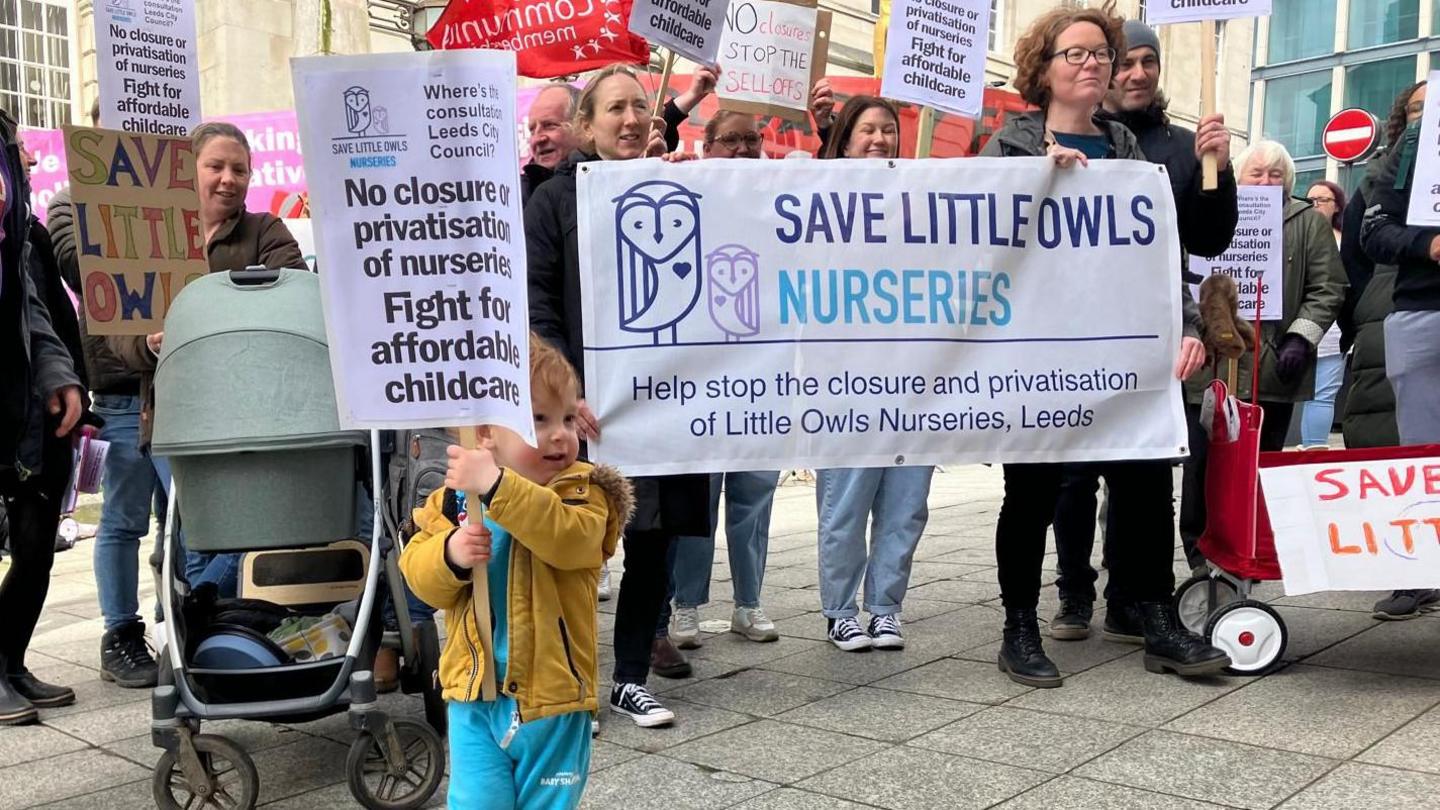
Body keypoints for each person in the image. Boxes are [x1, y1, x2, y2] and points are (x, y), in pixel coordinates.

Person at [980, 1, 1230, 687]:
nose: (1093, 64)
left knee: (1145, 480)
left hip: (1119, 353)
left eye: (1101, 55)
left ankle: (1152, 614)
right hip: (1036, 357)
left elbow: (1158, 257)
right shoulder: (1009, 147)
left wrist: (1186, 328)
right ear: (1045, 68)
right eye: (1077, 53)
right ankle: (1020, 625)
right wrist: (1036, 182)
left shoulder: (1129, 152)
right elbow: (973, 245)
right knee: (1032, 489)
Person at [526, 64, 710, 727]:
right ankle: (569, 681)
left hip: (659, 406)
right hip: (584, 410)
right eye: (614, 109)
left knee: (653, 544)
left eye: (639, 106)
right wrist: (562, 390)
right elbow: (538, 300)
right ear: (586, 127)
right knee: (575, 546)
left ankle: (630, 675)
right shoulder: (553, 201)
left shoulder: (683, 186)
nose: (630, 119)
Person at [1049, 17, 1240, 640]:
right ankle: (1075, 590)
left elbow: (1207, 240)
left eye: (1146, 63)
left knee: (1145, 469)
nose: (1135, 73)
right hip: (1072, 328)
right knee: (1074, 474)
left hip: (1147, 325)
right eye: (1123, 61)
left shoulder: (1183, 147)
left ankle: (1135, 597)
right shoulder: (1059, 134)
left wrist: (1220, 170)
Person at [400, 335, 631, 810]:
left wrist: (498, 486)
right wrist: (449, 555)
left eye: (568, 417)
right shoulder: (453, 500)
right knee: (474, 803)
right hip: (473, 694)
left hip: (552, 701)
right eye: (537, 420)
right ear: (486, 433)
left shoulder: (585, 492)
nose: (560, 434)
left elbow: (571, 540)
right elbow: (418, 576)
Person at [108, 122, 303, 599]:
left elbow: (297, 295)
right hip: (174, 419)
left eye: (240, 169)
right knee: (195, 534)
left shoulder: (266, 230)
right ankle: (203, 633)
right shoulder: (149, 237)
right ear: (186, 170)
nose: (228, 179)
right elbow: (118, 334)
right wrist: (152, 344)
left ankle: (212, 621)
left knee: (241, 530)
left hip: (248, 417)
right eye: (215, 166)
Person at [801, 95, 934, 653]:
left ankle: (884, 607)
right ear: (846, 138)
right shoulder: (816, 193)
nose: (880, 139)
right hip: (847, 382)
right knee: (846, 501)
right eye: (867, 130)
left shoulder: (922, 197)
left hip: (914, 378)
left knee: (906, 503)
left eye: (888, 130)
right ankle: (839, 610)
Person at [47, 102, 165, 688]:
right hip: (120, 385)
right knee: (122, 519)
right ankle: (121, 632)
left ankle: (200, 623)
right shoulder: (69, 202)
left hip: (182, 383)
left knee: (193, 519)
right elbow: (73, 262)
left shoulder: (178, 190)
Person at [1182, 140, 1346, 561]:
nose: (1267, 181)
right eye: (1257, 173)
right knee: (1202, 464)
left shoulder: (1307, 222)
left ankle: (1250, 546)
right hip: (1211, 369)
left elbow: (1328, 287)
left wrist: (1301, 337)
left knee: (1261, 464)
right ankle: (1200, 551)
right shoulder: (1213, 215)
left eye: (1276, 175)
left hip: (1273, 368)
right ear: (1239, 175)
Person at [664, 112, 780, 650]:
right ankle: (685, 605)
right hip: (701, 380)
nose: (740, 149)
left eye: (750, 140)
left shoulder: (777, 197)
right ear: (705, 145)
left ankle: (749, 603)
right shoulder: (684, 192)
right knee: (697, 499)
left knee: (753, 497)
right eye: (728, 139)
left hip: (762, 376)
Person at [1, 105, 86, 725]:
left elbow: (35, 314)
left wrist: (60, 376)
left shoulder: (21, 237)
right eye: (17, 150)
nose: (30, 156)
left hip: (27, 414)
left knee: (35, 546)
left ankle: (10, 661)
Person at [1344, 83, 1435, 620]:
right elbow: (1370, 236)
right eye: (1417, 108)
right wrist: (1429, 246)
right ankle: (1418, 573)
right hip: (1420, 315)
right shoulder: (1404, 160)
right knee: (1419, 456)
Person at [1298, 180, 1347, 449]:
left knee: (1322, 394)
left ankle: (1314, 450)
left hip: (1332, 330)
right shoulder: (1295, 232)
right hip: (1293, 326)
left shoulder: (1344, 241)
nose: (1314, 205)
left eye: (1322, 200)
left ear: (1337, 205)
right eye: (1310, 200)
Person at [522, 83, 581, 207]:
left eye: (549, 125)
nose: (537, 139)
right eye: (532, 130)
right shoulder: (516, 197)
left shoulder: (606, 180)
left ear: (582, 125)